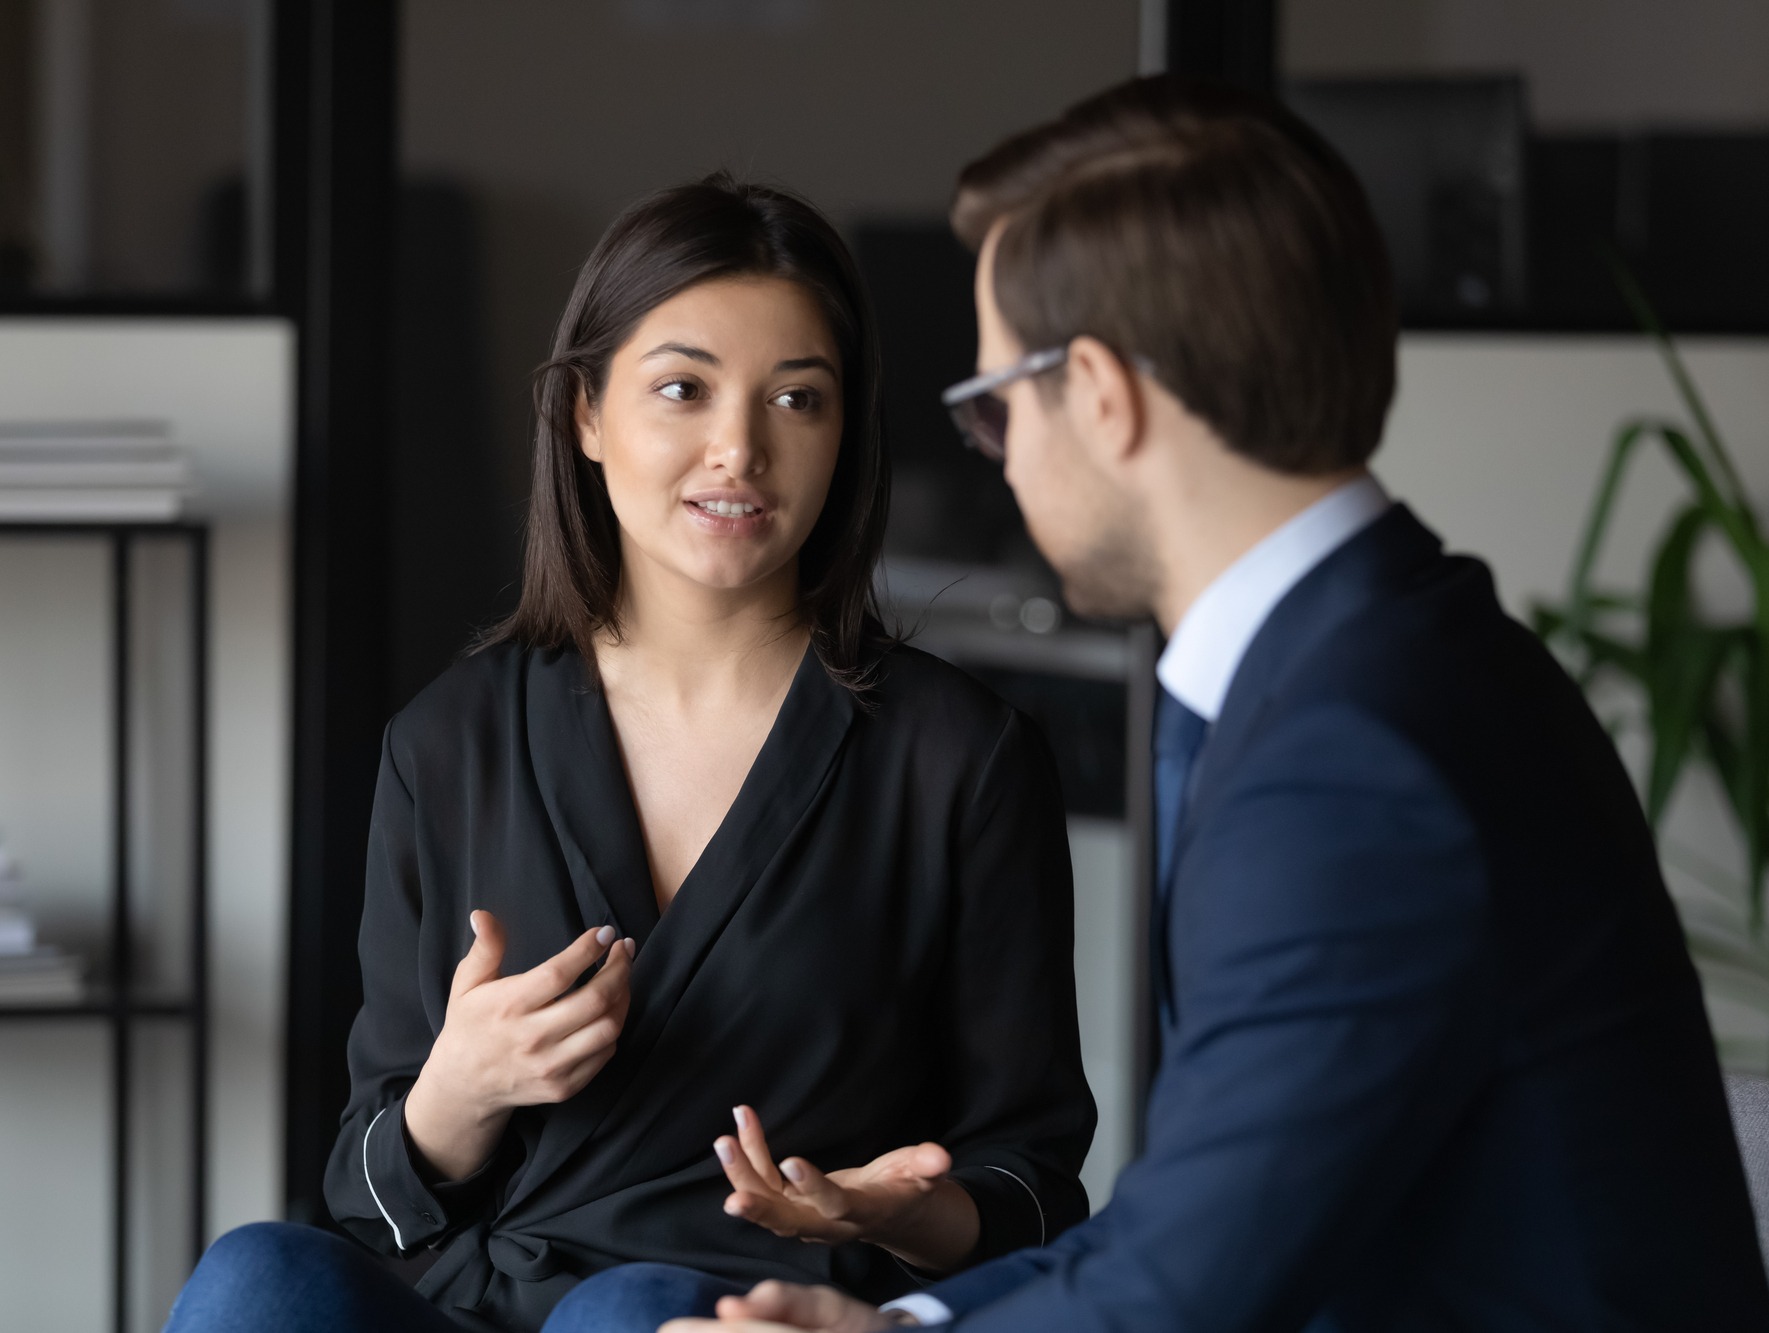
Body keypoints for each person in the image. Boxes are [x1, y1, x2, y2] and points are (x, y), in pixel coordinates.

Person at [659, 76, 1769, 1333]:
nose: (1002, 460)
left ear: (1100, 396)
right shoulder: (1383, 657)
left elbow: (1186, 1292)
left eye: (996, 409)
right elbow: (1187, 1218)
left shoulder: (1349, 753)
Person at [161, 174, 1095, 1333]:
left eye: (796, 398)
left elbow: (1033, 1192)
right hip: (481, 1304)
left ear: (844, 435)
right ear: (585, 416)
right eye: (682, 389)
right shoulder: (447, 742)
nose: (738, 447)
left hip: (744, 1314)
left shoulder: (959, 758)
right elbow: (368, 1199)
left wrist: (894, 1211)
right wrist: (460, 1089)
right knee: (257, 1273)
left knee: (628, 1309)